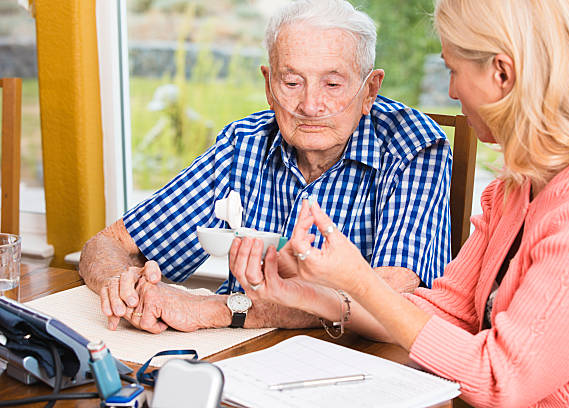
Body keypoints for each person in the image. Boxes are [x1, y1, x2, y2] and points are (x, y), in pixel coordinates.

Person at [229, 0, 569, 406]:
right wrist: (306, 294)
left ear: (502, 73)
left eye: (453, 70)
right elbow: (443, 313)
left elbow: (501, 382)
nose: (450, 90)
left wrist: (356, 277)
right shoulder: (512, 191)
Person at [78, 0, 452, 334]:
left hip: (358, 364)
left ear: (369, 90)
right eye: (292, 81)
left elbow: (393, 291)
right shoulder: (243, 143)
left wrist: (219, 309)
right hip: (244, 357)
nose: (310, 105)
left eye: (333, 84)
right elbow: (110, 243)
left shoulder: (414, 146)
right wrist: (122, 286)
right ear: (269, 86)